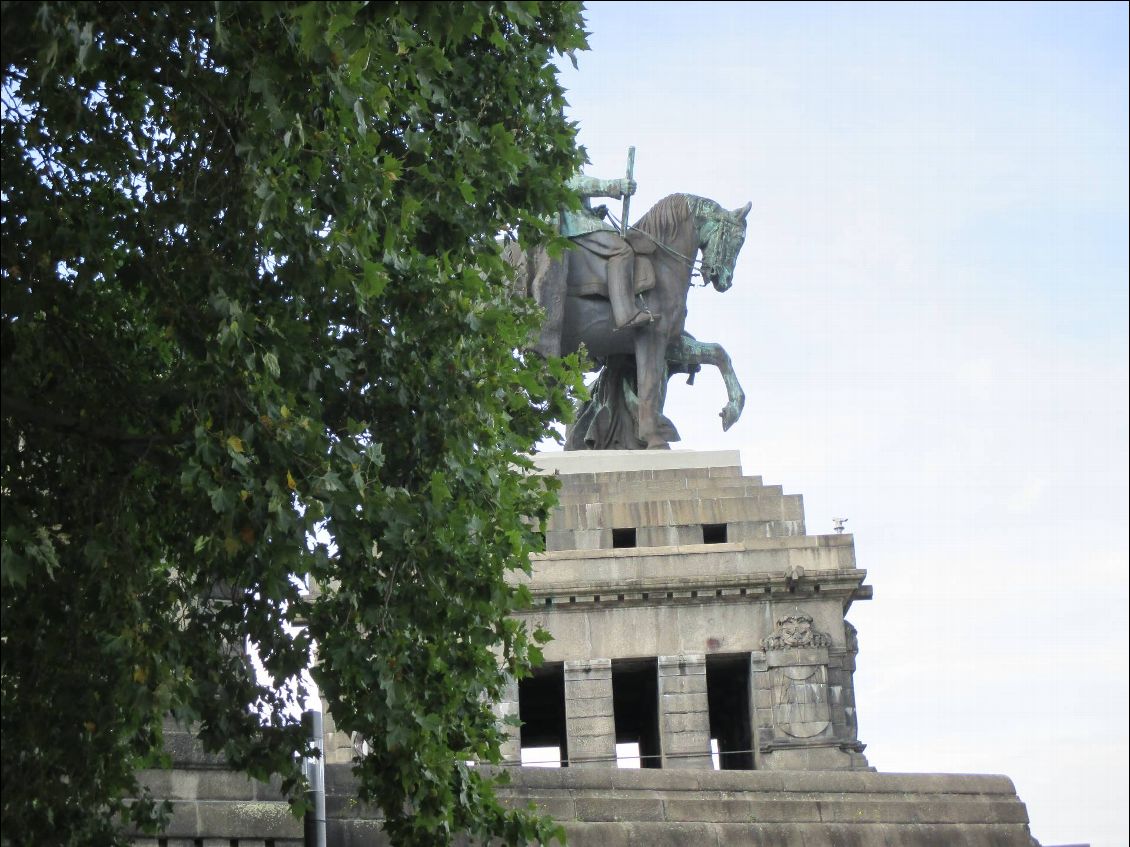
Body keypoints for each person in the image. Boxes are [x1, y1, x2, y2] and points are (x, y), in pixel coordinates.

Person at [561, 173, 652, 330]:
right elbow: (577, 184)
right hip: (577, 227)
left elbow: (573, 201)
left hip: (579, 222)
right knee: (622, 250)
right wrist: (617, 186)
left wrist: (593, 212)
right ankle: (626, 314)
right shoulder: (562, 163)